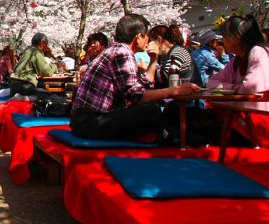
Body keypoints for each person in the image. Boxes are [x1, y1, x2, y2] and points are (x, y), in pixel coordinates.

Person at [71, 14, 199, 141]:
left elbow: (143, 86)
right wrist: (175, 90)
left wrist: (153, 60)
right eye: (146, 36)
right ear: (138, 37)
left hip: (85, 121)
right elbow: (137, 96)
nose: (148, 40)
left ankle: (163, 136)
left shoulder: (116, 50)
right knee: (151, 110)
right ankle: (173, 137)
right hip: (91, 122)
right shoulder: (122, 52)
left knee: (156, 110)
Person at [208, 15, 269, 100]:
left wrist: (230, 88)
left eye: (224, 37)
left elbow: (251, 87)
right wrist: (235, 87)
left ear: (236, 38)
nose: (222, 41)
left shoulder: (258, 51)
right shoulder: (236, 60)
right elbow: (211, 83)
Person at [9, 33, 57, 97]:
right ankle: (22, 98)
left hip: (14, 85)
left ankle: (21, 97)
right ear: (42, 43)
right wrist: (56, 65)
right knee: (49, 96)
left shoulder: (28, 50)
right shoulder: (35, 52)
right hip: (24, 85)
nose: (46, 46)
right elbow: (46, 71)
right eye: (46, 44)